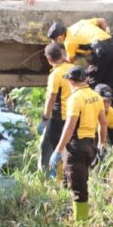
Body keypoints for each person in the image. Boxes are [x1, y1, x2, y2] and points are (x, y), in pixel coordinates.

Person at [49, 67, 107, 221]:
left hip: (76, 147)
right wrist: (102, 144)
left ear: (71, 81)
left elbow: (69, 128)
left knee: (78, 189)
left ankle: (81, 225)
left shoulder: (75, 99)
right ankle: (76, 215)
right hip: (91, 146)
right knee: (79, 180)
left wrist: (57, 150)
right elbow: (103, 123)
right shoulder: (96, 96)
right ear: (85, 79)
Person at [47, 18, 113, 90]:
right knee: (111, 81)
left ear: (59, 37)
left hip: (103, 52)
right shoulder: (81, 23)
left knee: (91, 81)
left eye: (57, 40)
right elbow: (102, 21)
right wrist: (105, 34)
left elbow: (70, 60)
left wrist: (61, 59)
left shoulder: (68, 41)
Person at [39, 43, 73, 173]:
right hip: (76, 115)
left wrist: (45, 118)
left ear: (49, 59)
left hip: (61, 117)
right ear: (61, 54)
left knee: (57, 146)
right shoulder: (72, 67)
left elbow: (51, 98)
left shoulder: (55, 74)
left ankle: (58, 175)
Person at [95, 84, 113, 149]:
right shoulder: (88, 111)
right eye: (103, 101)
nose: (106, 105)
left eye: (109, 102)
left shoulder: (112, 114)